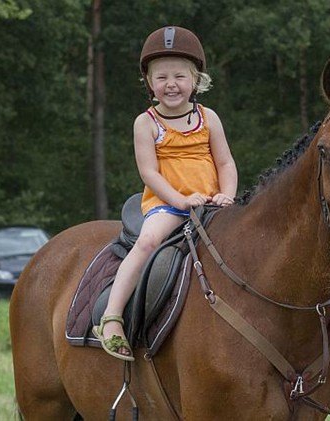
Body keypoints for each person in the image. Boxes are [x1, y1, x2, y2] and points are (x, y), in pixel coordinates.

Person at [93, 26, 238, 361]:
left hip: (213, 204)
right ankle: (112, 318)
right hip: (169, 206)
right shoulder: (146, 123)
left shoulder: (208, 118)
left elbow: (226, 163)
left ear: (196, 79)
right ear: (149, 83)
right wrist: (179, 200)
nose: (171, 84)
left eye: (180, 76)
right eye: (161, 77)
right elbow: (149, 172)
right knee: (147, 242)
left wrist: (227, 194)